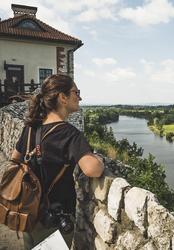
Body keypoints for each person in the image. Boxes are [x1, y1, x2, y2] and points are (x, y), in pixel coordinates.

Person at [10, 74, 104, 249]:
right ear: (63, 97)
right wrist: (99, 158)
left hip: (28, 212)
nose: (80, 97)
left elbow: (15, 159)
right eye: (76, 92)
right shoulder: (69, 135)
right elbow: (92, 169)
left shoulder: (30, 129)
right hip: (54, 220)